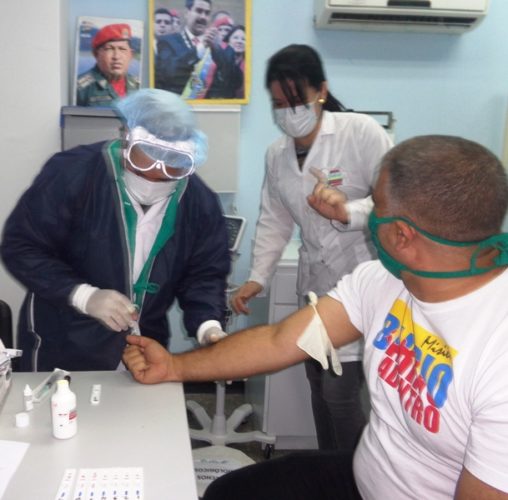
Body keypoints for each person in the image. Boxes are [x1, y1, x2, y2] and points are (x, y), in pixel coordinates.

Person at [123, 135, 508, 499]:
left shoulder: (497, 349)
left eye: (376, 206)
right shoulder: (381, 281)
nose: (368, 216)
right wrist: (173, 366)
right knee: (228, 493)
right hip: (367, 474)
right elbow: (279, 342)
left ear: (402, 236)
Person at [230, 44, 393, 452]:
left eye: (295, 100)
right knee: (317, 385)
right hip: (316, 285)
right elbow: (275, 219)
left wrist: (346, 212)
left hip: (362, 278)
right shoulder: (277, 154)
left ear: (321, 91)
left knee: (340, 396)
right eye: (278, 104)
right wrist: (256, 278)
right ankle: (328, 468)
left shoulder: (361, 132)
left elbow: (395, 202)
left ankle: (355, 480)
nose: (287, 112)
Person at [0, 89, 230, 372]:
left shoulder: (199, 202)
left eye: (170, 167)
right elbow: (21, 246)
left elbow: (204, 274)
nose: (153, 176)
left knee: (135, 414)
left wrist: (208, 326)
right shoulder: (73, 174)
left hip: (143, 346)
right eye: (143, 162)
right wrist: (83, 296)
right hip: (62, 341)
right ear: (126, 137)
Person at [155, 0, 242, 99]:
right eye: (199, 11)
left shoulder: (222, 48)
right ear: (187, 13)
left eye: (207, 13)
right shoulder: (168, 42)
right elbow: (169, 73)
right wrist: (201, 47)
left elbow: (236, 82)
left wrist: (217, 50)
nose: (203, 17)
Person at [76, 23, 140, 107]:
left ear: (131, 55)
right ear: (96, 54)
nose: (116, 56)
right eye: (109, 49)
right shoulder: (80, 88)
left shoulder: (138, 86)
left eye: (122, 49)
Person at [224, 25, 245, 98]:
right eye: (235, 38)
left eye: (243, 39)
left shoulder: (249, 67)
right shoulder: (218, 61)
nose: (239, 41)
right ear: (228, 41)